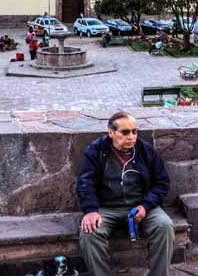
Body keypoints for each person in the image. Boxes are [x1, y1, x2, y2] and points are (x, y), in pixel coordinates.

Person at [77, 111, 175, 276]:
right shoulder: (95, 151)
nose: (131, 137)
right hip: (107, 207)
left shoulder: (146, 151)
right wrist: (91, 210)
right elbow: (85, 183)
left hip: (143, 205)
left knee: (164, 226)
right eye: (125, 132)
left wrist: (145, 206)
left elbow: (162, 183)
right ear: (111, 132)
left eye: (134, 131)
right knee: (90, 232)